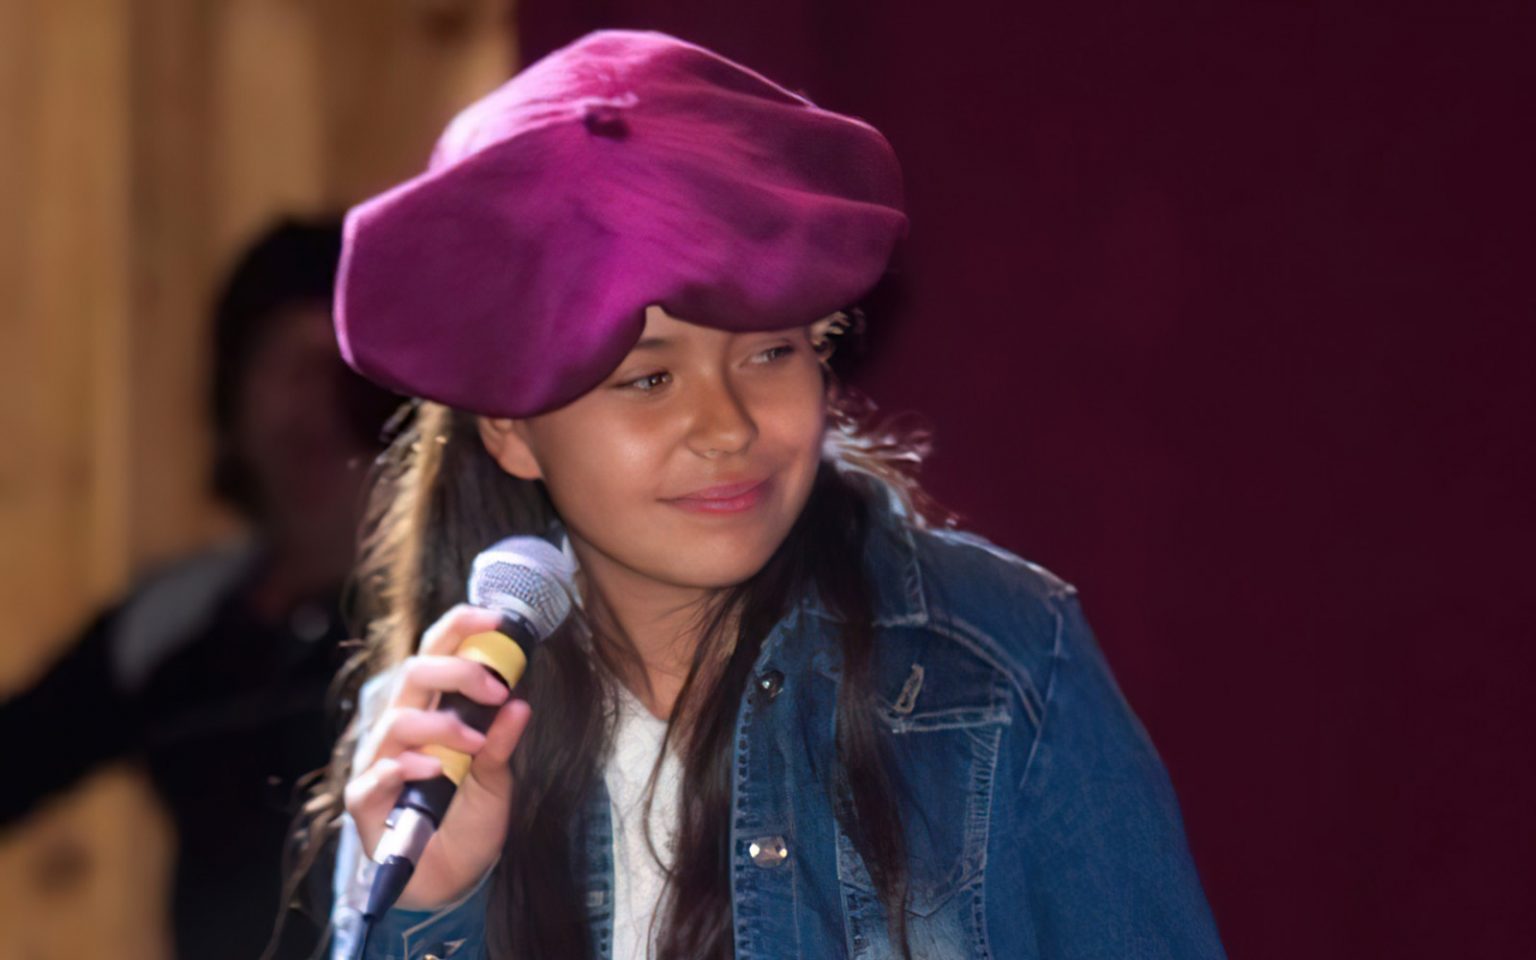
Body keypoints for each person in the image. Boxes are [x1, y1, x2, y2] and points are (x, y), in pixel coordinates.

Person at [304, 29, 1227, 960]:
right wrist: (432, 910)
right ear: (510, 426)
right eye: (649, 378)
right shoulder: (437, 730)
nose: (729, 427)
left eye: (772, 353)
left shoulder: (999, 658)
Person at [0, 217, 400, 959]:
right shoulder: (170, 629)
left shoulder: (467, 609)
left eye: (339, 363)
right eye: (281, 361)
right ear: (231, 401)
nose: (310, 395)